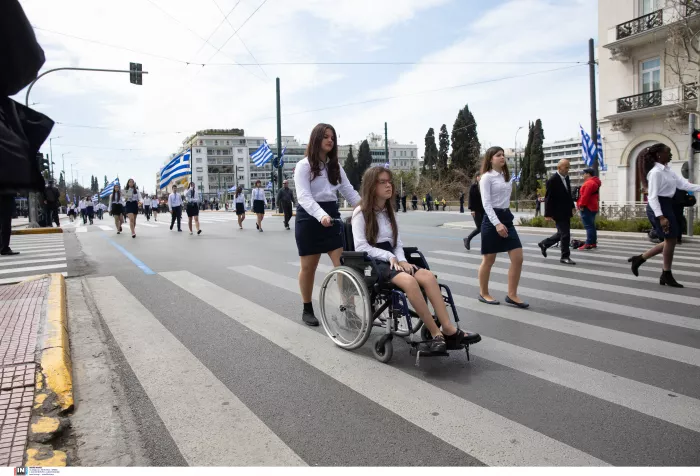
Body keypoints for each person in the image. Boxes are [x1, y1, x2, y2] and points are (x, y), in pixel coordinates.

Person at [352, 166, 478, 353]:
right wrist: (390, 257)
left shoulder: (390, 212)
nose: (389, 186)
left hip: (394, 259)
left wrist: (402, 260)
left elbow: (397, 243)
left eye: (390, 182)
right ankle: (436, 335)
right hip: (374, 262)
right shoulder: (360, 213)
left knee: (427, 276)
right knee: (410, 282)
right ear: (371, 186)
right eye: (383, 182)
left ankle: (448, 328)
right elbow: (361, 247)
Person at [294, 123, 361, 326]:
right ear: (316, 139)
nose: (330, 140)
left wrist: (367, 209)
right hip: (309, 217)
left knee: (343, 265)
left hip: (331, 216)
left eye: (332, 137)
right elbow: (304, 197)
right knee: (308, 267)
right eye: (325, 136)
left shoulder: (335, 167)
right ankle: (307, 308)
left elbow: (349, 192)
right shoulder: (303, 166)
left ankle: (349, 310)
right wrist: (320, 215)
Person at [628, 143, 700, 288]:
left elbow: (684, 185)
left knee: (671, 240)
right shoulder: (656, 172)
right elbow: (652, 197)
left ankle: (641, 259)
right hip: (658, 207)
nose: (671, 154)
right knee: (671, 240)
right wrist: (661, 217)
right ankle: (666, 273)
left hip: (668, 205)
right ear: (659, 155)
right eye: (668, 152)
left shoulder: (668, 171)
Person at [478, 147, 527, 308]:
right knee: (489, 259)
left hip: (506, 218)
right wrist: (497, 223)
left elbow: (505, 200)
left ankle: (512, 295)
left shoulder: (506, 177)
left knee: (518, 257)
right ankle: (484, 293)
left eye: (503, 155)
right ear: (490, 159)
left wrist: (504, 220)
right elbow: (486, 204)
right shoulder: (486, 178)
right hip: (492, 220)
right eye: (498, 155)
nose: (502, 157)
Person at [538, 159, 576, 265]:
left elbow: (568, 194)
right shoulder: (552, 180)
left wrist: (572, 206)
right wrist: (548, 214)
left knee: (562, 233)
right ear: (559, 168)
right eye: (566, 167)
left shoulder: (566, 178)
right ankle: (565, 256)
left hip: (566, 211)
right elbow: (548, 198)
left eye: (569, 167)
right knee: (565, 234)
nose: (568, 169)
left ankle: (544, 244)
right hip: (557, 212)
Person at [576, 168, 601, 250]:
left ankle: (589, 243)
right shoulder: (594, 182)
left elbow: (585, 196)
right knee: (591, 226)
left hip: (587, 207)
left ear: (588, 174)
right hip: (593, 206)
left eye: (584, 173)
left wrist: (581, 205)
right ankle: (593, 242)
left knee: (588, 226)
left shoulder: (589, 183)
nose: (583, 175)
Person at [464, 173, 484, 251]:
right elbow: (470, 199)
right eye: (479, 176)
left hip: (484, 210)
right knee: (480, 228)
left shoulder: (484, 186)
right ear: (476, 177)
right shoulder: (474, 187)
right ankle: (468, 239)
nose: (480, 178)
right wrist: (472, 210)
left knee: (484, 228)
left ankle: (468, 239)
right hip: (476, 210)